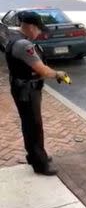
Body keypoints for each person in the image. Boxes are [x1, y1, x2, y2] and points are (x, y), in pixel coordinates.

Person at [5, 11, 67, 175]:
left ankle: (34, 156)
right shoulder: (24, 45)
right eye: (39, 29)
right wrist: (58, 74)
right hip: (27, 91)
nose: (39, 33)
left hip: (22, 88)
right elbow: (42, 70)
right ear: (31, 27)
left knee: (29, 124)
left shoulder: (14, 39)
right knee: (34, 126)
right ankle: (40, 165)